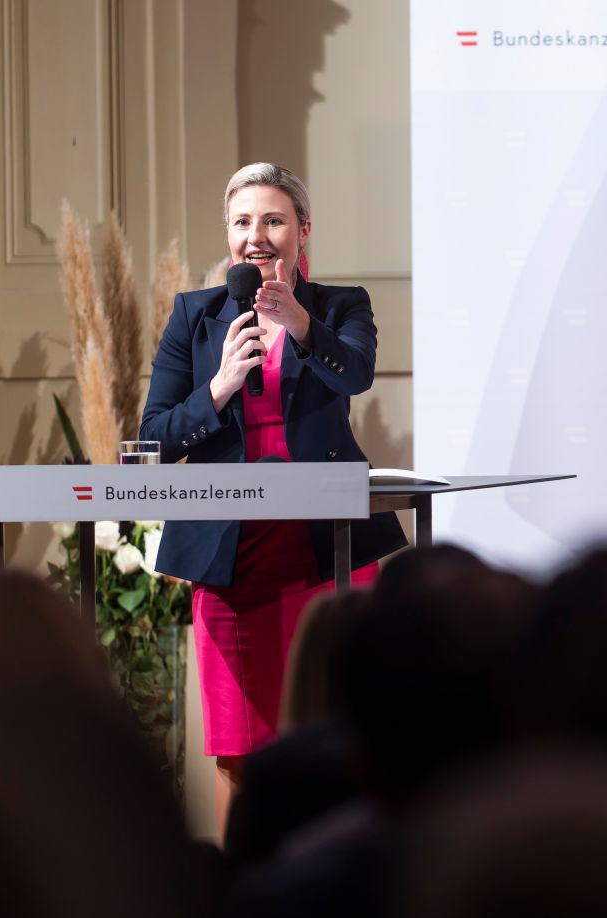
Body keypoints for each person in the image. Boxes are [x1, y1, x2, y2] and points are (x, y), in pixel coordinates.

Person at [140, 162, 407, 813]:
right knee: (242, 751)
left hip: (326, 552)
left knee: (341, 740)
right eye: (241, 222)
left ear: (303, 230)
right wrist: (218, 387)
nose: (255, 236)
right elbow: (153, 439)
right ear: (227, 234)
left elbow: (357, 374)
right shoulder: (193, 318)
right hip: (230, 560)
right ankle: (247, 902)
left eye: (273, 220)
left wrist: (303, 327)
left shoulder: (341, 305)